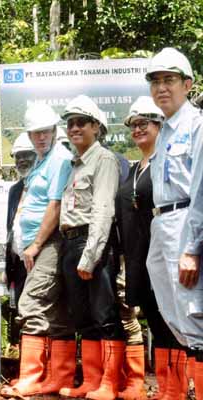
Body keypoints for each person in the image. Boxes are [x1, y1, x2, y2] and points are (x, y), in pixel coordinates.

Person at [1, 103, 75, 398]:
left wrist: (35, 245)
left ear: (55, 131)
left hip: (50, 243)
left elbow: (55, 206)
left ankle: (31, 377)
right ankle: (58, 378)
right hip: (38, 245)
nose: (41, 138)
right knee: (54, 311)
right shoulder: (43, 160)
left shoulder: (60, 159)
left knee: (30, 304)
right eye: (35, 133)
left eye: (45, 132)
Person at [145, 47, 203, 399]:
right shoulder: (164, 131)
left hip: (186, 223)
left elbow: (201, 190)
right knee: (173, 312)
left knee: (195, 311)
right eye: (155, 81)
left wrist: (193, 248)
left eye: (169, 80)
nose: (161, 88)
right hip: (161, 223)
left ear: (188, 84)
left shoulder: (197, 126)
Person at [57, 95, 124, 399]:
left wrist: (91, 255)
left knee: (104, 314)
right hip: (71, 242)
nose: (74, 128)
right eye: (70, 123)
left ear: (96, 126)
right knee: (82, 316)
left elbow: (102, 210)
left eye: (81, 122)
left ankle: (110, 384)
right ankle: (92, 382)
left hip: (92, 243)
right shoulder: (75, 164)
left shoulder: (104, 159)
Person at [114, 96, 181, 399]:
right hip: (139, 257)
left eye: (144, 123)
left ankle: (177, 389)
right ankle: (167, 389)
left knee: (172, 322)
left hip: (165, 252)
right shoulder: (133, 168)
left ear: (159, 124)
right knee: (154, 318)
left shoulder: (167, 160)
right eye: (134, 125)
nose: (138, 129)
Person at [4, 132, 35, 348]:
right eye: (18, 156)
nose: (22, 160)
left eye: (27, 155)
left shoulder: (44, 185)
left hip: (39, 260)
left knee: (40, 313)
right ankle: (27, 368)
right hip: (19, 264)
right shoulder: (15, 190)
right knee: (22, 313)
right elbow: (11, 228)